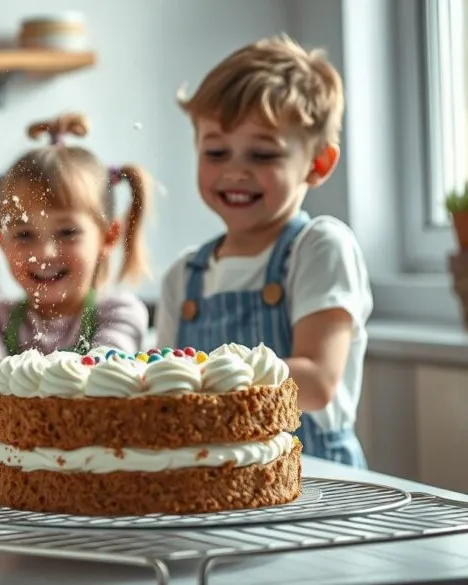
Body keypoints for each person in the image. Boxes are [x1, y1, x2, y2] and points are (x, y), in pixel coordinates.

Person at [155, 34, 373, 468]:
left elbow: (315, 382)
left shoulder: (319, 248)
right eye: (216, 151)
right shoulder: (183, 275)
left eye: (262, 153)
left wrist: (199, 376)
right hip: (209, 481)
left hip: (316, 481)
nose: (236, 170)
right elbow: (164, 391)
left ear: (318, 164)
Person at [0, 112, 153, 409]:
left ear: (108, 236)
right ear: (2, 241)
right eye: (24, 234)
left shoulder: (120, 312)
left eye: (67, 232)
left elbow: (100, 376)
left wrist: (16, 378)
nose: (46, 252)